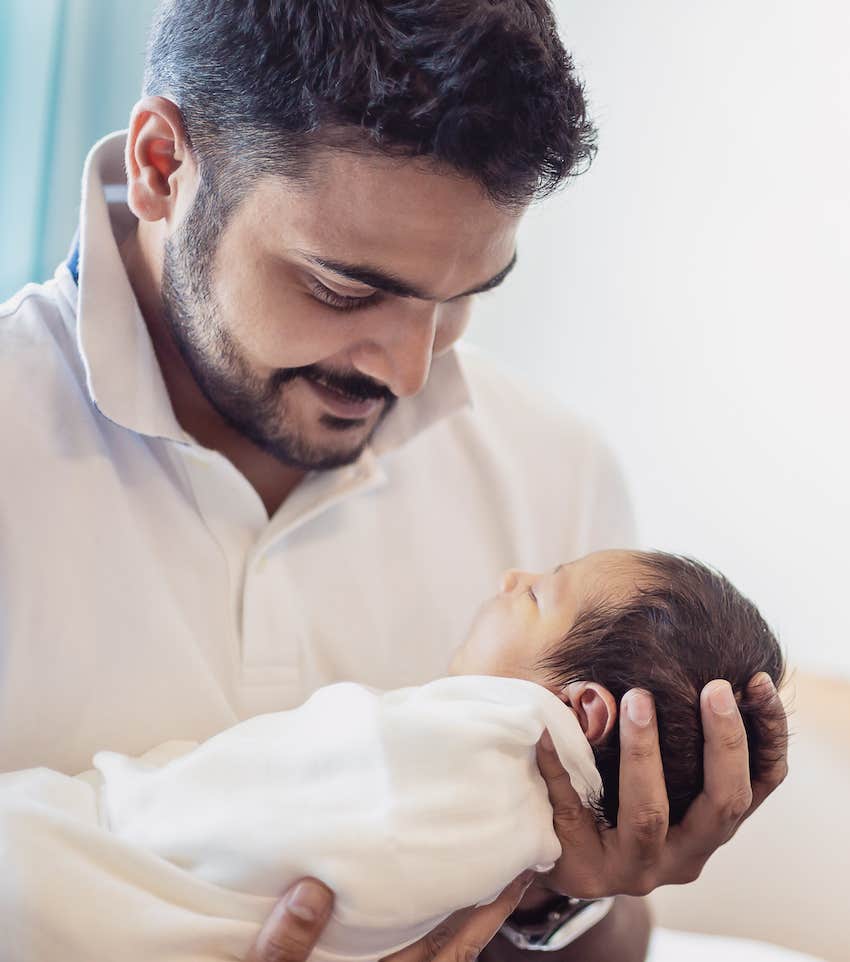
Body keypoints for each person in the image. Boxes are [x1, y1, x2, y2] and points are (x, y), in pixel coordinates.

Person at [0, 2, 788, 961]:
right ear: (161, 164)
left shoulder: (555, 471)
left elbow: (612, 949)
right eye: (343, 288)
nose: (411, 372)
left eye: (462, 300)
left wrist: (555, 896)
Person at [0, 550, 787, 962]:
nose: (511, 575)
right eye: (341, 287)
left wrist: (569, 892)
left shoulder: (485, 747)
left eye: (539, 594)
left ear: (585, 708)